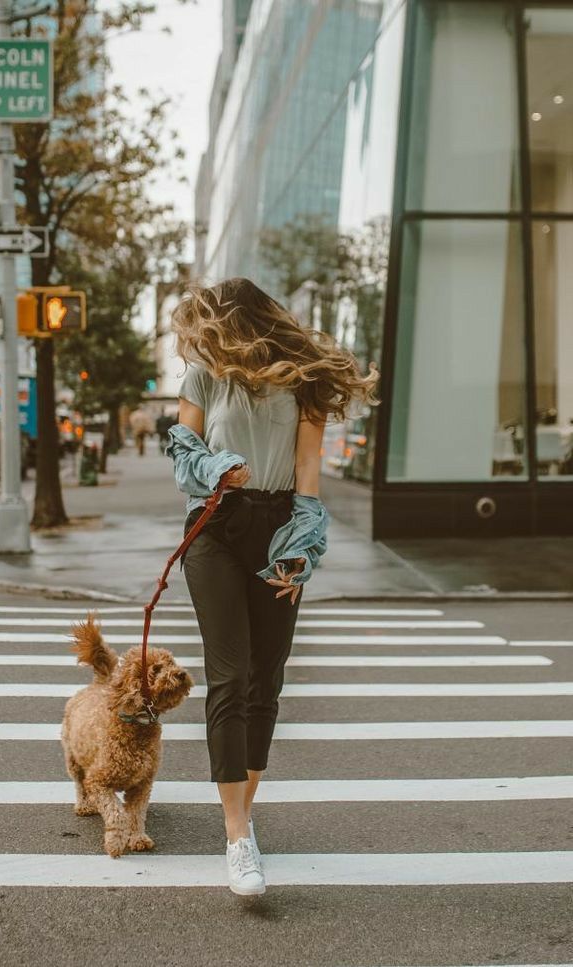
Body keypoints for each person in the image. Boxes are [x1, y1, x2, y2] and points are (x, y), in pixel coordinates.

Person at [165, 277, 379, 896]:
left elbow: (309, 464)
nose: (197, 332)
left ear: (234, 316)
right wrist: (213, 466)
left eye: (207, 317)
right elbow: (184, 443)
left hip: (280, 522)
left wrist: (303, 542)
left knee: (266, 678)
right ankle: (238, 838)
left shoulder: (303, 377)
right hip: (216, 525)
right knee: (230, 674)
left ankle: (244, 815)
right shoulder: (205, 372)